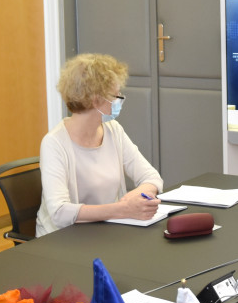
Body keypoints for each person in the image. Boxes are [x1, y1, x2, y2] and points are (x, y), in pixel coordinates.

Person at [36, 53, 163, 236]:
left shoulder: (113, 130)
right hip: (63, 238)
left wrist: (137, 197)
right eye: (116, 95)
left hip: (106, 231)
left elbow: (152, 177)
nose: (120, 99)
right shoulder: (54, 143)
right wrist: (123, 209)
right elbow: (59, 213)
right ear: (96, 100)